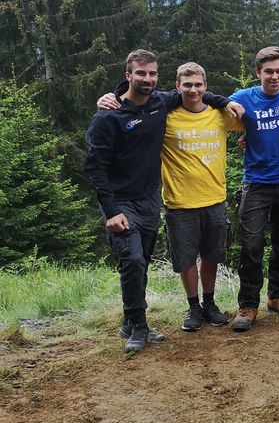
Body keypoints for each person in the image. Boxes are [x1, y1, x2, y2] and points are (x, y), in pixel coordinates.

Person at [85, 50, 240, 352]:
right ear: (127, 75)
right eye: (140, 74)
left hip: (149, 200)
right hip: (120, 202)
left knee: (139, 263)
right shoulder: (109, 115)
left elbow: (196, 92)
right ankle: (138, 328)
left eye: (152, 74)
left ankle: (130, 323)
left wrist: (225, 101)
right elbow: (95, 166)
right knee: (131, 259)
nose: (147, 79)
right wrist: (110, 209)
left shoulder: (160, 103)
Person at [229, 47, 279, 331]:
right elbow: (211, 104)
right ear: (258, 73)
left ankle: (278, 297)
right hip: (257, 184)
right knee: (251, 246)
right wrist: (241, 128)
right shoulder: (244, 98)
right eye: (269, 72)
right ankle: (248, 305)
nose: (274, 76)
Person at [161, 62, 243, 332]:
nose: (193, 89)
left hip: (214, 199)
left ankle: (210, 303)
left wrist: (248, 139)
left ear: (206, 87)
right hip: (179, 202)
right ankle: (193, 306)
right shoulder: (166, 117)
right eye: (188, 85)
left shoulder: (221, 115)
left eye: (198, 85)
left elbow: (253, 122)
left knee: (211, 256)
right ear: (178, 87)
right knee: (185, 259)